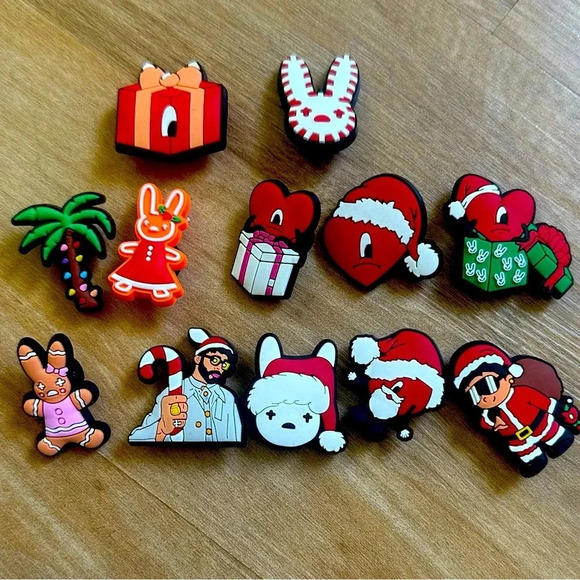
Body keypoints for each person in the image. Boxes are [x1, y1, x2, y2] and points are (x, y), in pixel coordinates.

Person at [129, 329, 243, 444]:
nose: (219, 367)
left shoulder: (228, 398)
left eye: (224, 364)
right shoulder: (172, 395)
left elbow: (235, 436)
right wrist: (161, 429)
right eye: (215, 360)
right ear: (198, 358)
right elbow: (136, 437)